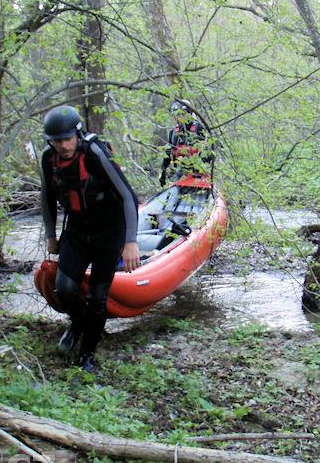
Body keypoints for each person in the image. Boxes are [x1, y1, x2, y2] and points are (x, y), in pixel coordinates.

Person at [40, 105, 140, 372]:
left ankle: (87, 355)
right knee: (65, 289)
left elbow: (127, 196)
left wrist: (130, 242)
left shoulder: (94, 152)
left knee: (98, 297)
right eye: (57, 141)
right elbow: (47, 197)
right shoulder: (49, 159)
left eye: (68, 138)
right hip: (77, 230)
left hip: (110, 231)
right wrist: (50, 235)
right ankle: (79, 323)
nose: (63, 145)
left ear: (78, 134)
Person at [159, 99, 212, 186]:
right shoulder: (173, 132)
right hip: (181, 174)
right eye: (176, 115)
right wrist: (163, 172)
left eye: (181, 114)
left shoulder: (199, 129)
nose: (178, 118)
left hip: (199, 174)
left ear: (188, 113)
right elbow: (168, 153)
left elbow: (209, 151)